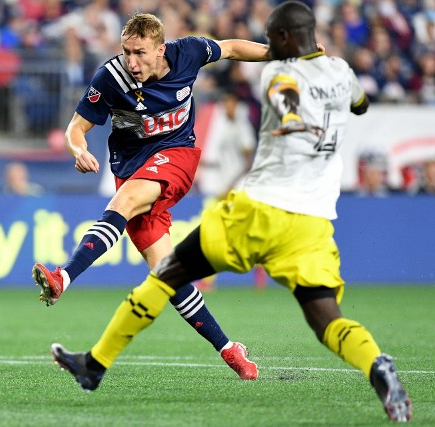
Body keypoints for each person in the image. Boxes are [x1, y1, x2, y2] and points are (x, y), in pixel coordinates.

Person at [49, 2, 412, 423]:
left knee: (168, 274)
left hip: (256, 208)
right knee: (327, 319)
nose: (131, 61)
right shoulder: (342, 75)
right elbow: (361, 104)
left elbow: (269, 81)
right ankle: (374, 363)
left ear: (281, 41)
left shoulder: (280, 78)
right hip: (312, 223)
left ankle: (87, 337)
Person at [31, 12, 281, 380]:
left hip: (177, 157)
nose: (132, 62)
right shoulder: (111, 78)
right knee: (168, 275)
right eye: (126, 51)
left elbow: (230, 48)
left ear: (161, 49)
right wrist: (78, 149)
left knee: (124, 202)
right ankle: (230, 350)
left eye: (140, 53)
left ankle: (63, 277)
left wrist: (279, 53)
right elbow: (75, 127)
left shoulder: (189, 53)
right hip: (131, 169)